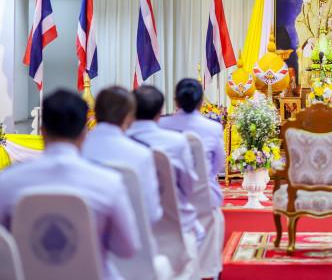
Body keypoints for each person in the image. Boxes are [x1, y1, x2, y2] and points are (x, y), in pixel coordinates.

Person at [0, 90, 140, 280]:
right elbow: (127, 249)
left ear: (42, 130)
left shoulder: (7, 181)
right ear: (84, 133)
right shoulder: (109, 182)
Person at [128, 85, 201, 277]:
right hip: (174, 223)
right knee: (199, 234)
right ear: (161, 111)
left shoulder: (120, 142)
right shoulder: (176, 142)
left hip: (129, 226)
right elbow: (188, 187)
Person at [159, 78, 225, 278]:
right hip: (203, 196)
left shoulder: (161, 124)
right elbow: (217, 166)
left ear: (175, 101)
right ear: (201, 102)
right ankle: (208, 269)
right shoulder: (213, 128)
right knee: (216, 218)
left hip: (167, 198)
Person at [82, 86, 162, 226]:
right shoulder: (141, 154)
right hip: (130, 237)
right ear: (130, 116)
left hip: (83, 236)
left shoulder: (79, 152)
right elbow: (152, 214)